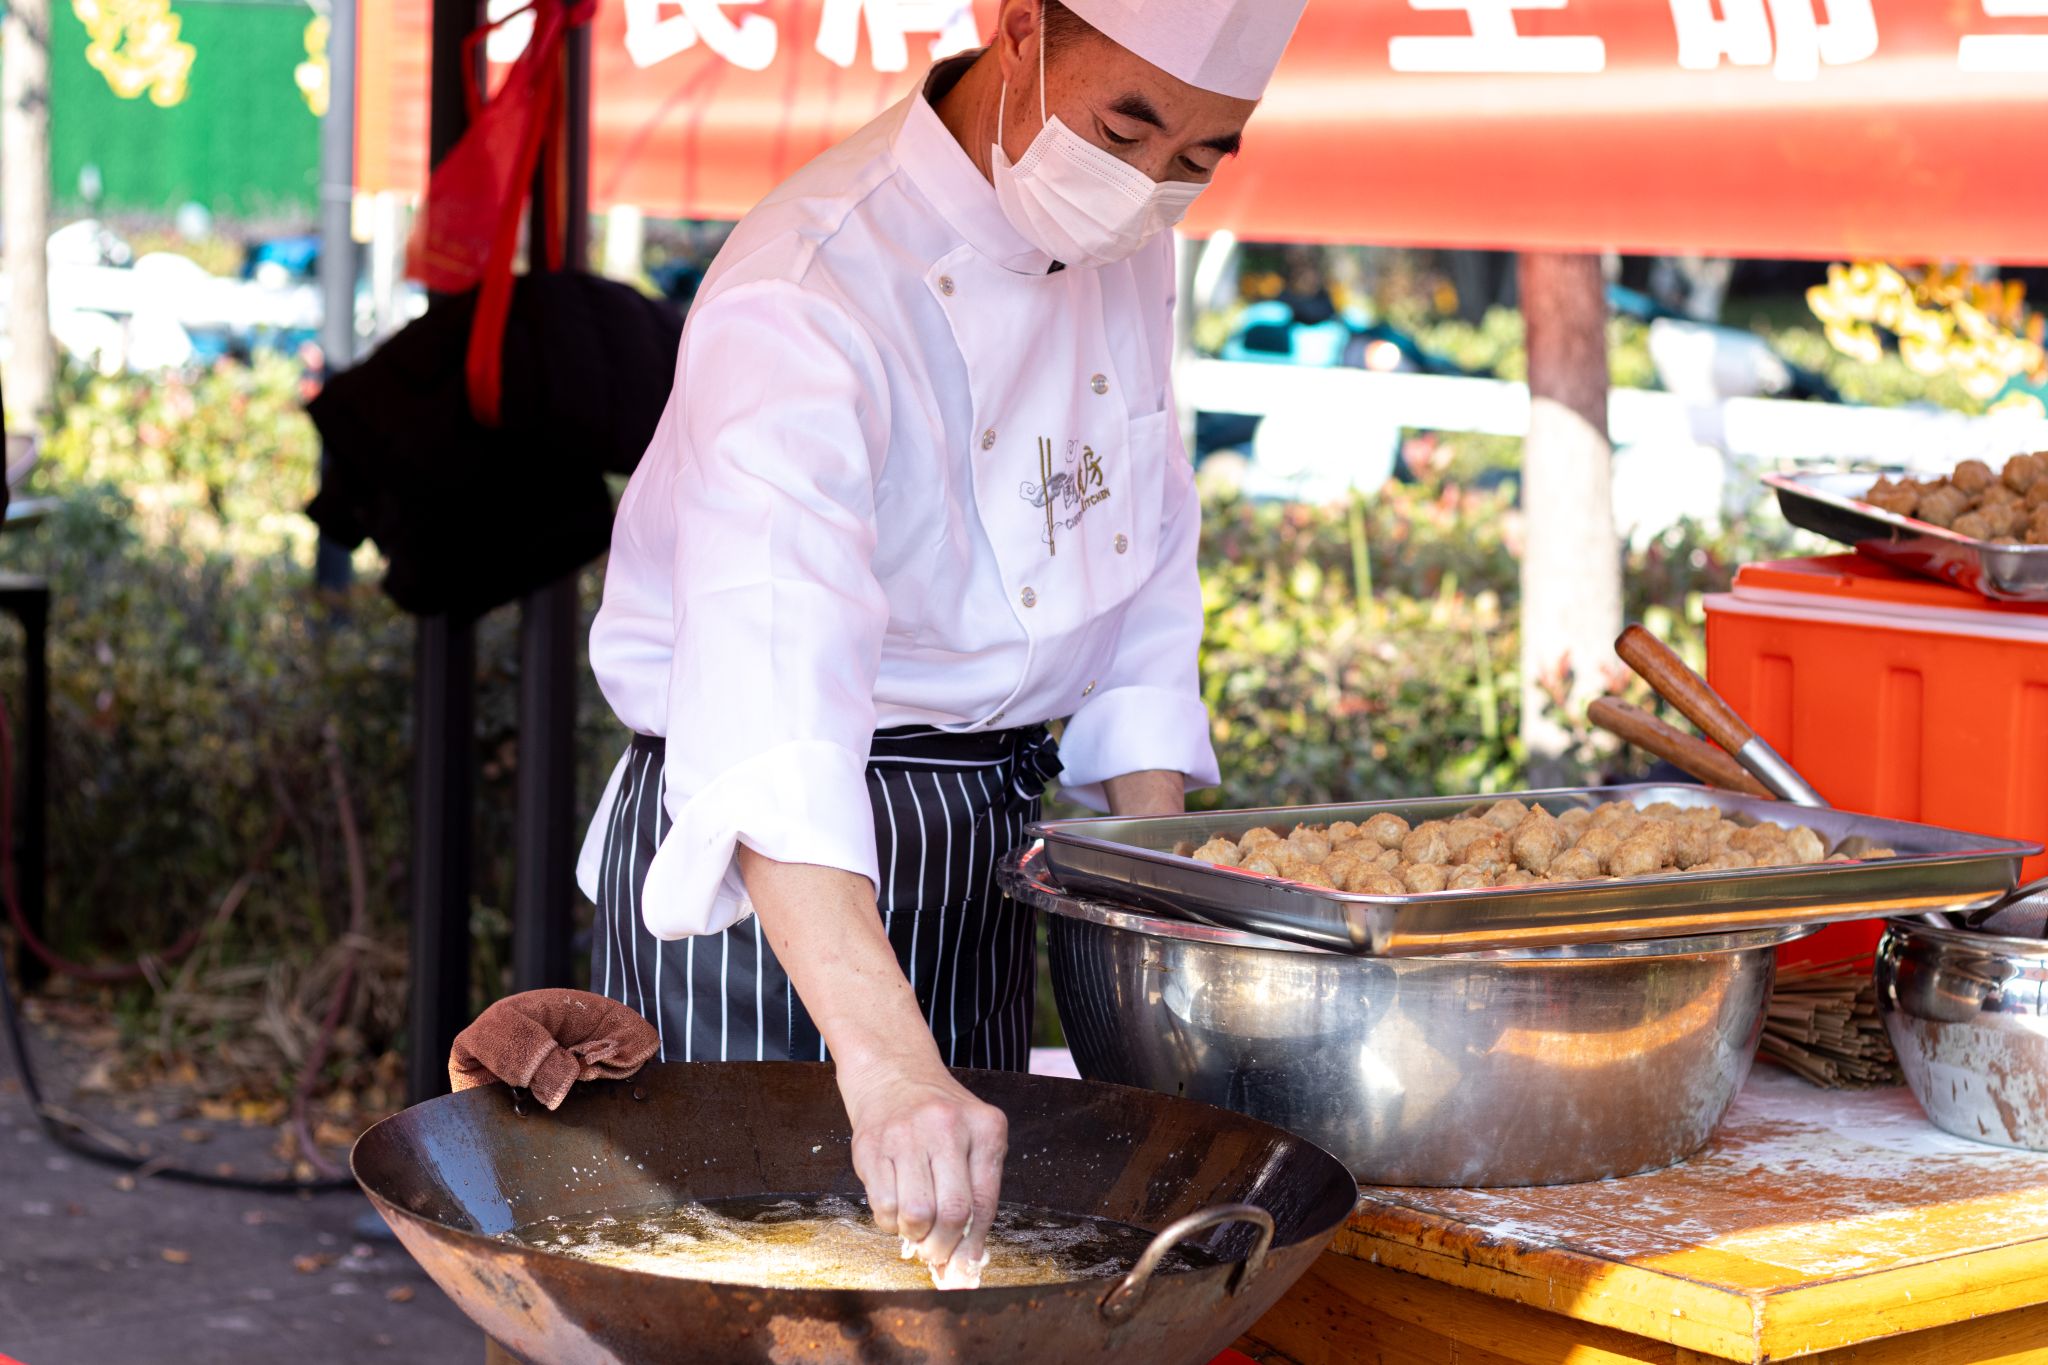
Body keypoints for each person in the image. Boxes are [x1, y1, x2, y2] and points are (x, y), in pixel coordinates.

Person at [579, 0, 1306, 1286]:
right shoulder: (807, 289)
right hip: (775, 866)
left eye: (1199, 156)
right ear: (1020, 30)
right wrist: (885, 1060)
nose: (1148, 183)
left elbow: (1138, 543)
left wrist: (1160, 890)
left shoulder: (1126, 241)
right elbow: (767, 706)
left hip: (983, 833)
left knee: (967, 1276)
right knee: (763, 1286)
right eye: (1124, 128)